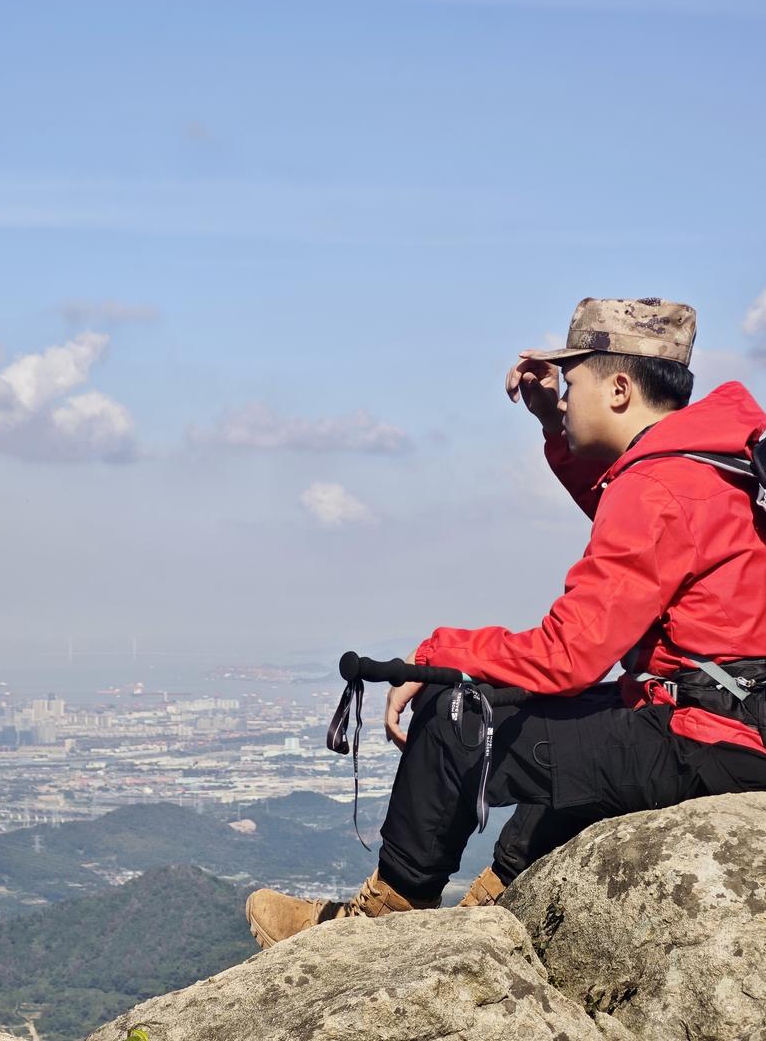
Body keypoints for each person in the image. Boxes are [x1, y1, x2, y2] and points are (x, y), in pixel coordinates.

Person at [246, 297, 766, 948]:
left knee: (459, 717)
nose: (566, 394)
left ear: (621, 388)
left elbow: (568, 657)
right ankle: (500, 899)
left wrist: (439, 654)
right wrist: (557, 423)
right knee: (564, 727)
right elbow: (639, 527)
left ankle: (377, 926)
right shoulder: (715, 460)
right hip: (735, 724)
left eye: (573, 384)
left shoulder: (658, 485)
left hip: (709, 738)